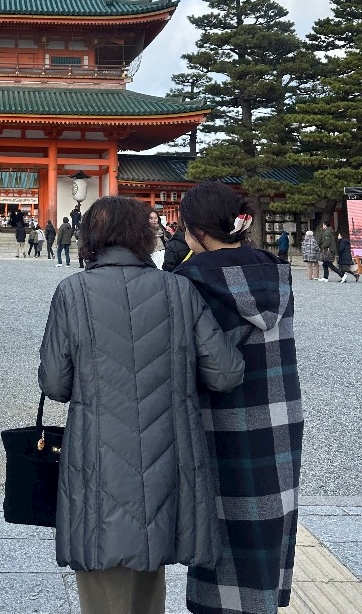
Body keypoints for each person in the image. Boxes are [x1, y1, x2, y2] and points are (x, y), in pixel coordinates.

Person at [39, 196, 244, 614]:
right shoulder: (178, 290)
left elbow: (56, 384)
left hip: (96, 456)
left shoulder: (72, 292)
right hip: (165, 455)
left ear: (90, 237)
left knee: (102, 575)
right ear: (143, 236)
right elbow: (225, 373)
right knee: (150, 563)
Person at [176, 181, 303, 614]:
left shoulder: (191, 280)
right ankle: (263, 600)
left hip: (222, 414)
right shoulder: (277, 272)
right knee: (271, 511)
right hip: (280, 410)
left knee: (221, 518)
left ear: (197, 230)